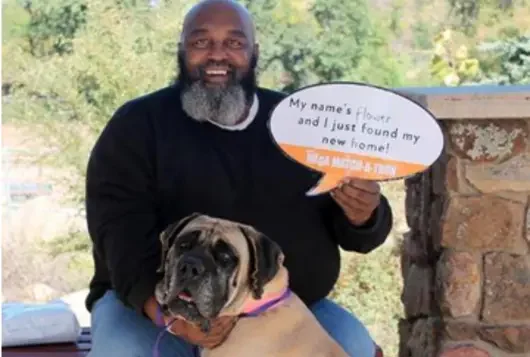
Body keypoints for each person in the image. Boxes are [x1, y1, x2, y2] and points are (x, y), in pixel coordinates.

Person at [84, 0, 393, 356]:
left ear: (254, 52)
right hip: (157, 307)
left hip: (284, 311)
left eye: (234, 42)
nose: (218, 55)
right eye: (201, 42)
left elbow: (362, 234)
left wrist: (364, 214)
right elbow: (117, 232)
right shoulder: (137, 125)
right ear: (182, 51)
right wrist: (166, 315)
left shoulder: (303, 125)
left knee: (352, 346)